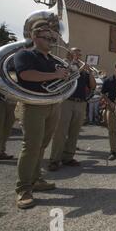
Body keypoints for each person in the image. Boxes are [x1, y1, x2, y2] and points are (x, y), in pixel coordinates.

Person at [13, 16, 70, 209]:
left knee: (41, 145)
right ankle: (23, 189)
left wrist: (66, 75)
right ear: (35, 36)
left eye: (53, 39)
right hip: (33, 106)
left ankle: (36, 179)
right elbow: (25, 75)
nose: (52, 42)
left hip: (52, 105)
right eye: (48, 38)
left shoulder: (52, 60)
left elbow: (60, 79)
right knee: (31, 146)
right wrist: (55, 75)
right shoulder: (25, 54)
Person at [48, 48, 96, 171]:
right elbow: (67, 78)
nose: (79, 55)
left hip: (80, 102)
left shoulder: (83, 69)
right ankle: (54, 159)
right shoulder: (63, 64)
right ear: (69, 54)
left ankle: (68, 157)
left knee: (74, 132)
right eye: (77, 53)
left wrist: (90, 72)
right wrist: (80, 69)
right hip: (66, 102)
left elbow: (93, 86)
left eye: (80, 53)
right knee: (61, 132)